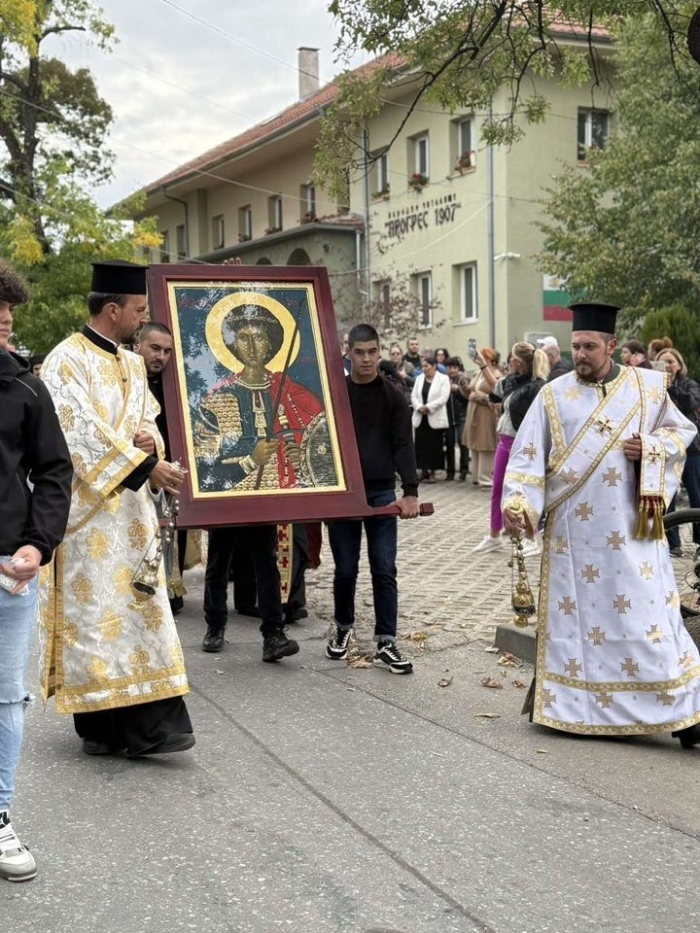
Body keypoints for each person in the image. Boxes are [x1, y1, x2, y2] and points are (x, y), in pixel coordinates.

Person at [503, 302, 700, 748]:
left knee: (648, 619)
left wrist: (650, 448)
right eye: (576, 347)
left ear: (611, 346)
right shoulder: (553, 396)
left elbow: (681, 433)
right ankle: (572, 708)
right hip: (574, 538)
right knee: (582, 625)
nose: (582, 355)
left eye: (590, 346)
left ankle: (683, 711)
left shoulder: (648, 388)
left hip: (634, 533)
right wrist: (519, 504)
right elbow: (528, 460)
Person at [40, 260, 195, 758]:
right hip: (89, 520)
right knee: (96, 621)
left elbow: (148, 421)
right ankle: (103, 728)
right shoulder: (65, 361)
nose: (142, 318)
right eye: (138, 310)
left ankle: (152, 726)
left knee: (142, 615)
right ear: (113, 310)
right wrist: (144, 466)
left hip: (133, 516)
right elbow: (76, 433)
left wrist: (155, 445)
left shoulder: (132, 363)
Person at [0, 264, 72, 883]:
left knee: (5, 700)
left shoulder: (26, 389)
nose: (4, 328)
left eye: (7, 319)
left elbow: (54, 471)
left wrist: (38, 545)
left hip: (7, 572)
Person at [325, 323, 419, 674]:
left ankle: (386, 641)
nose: (366, 359)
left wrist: (409, 492)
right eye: (359, 352)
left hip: (381, 492)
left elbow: (403, 445)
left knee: (384, 567)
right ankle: (343, 627)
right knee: (346, 569)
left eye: (372, 352)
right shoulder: (335, 394)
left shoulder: (393, 396)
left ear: (379, 352)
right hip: (343, 494)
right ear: (348, 353)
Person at [194, 304, 326, 491]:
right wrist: (250, 461)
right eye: (243, 338)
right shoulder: (217, 403)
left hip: (292, 505)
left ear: (270, 342)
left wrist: (305, 457)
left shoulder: (294, 395)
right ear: (234, 344)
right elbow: (203, 476)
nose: (252, 347)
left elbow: (328, 455)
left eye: (258, 337)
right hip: (238, 509)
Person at [473, 342, 548, 554]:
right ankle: (495, 535)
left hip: (524, 444)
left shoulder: (538, 387)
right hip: (504, 440)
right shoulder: (510, 381)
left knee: (524, 489)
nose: (509, 361)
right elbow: (494, 388)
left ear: (518, 361)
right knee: (498, 488)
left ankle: (531, 538)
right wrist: (481, 366)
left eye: (512, 359)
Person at [134, 322, 187, 614]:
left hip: (166, 468)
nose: (161, 356)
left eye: (167, 351)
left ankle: (169, 590)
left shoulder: (172, 385)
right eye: (155, 348)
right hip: (134, 469)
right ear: (137, 345)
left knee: (166, 530)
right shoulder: (124, 379)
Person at [202, 523, 299, 662]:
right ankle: (215, 626)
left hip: (259, 506)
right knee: (218, 562)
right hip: (222, 506)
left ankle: (273, 633)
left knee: (267, 565)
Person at [657, 348, 700, 558]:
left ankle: (699, 542)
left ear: (679, 364)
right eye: (662, 362)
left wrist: (673, 387)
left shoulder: (688, 384)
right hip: (665, 449)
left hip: (690, 449)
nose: (667, 366)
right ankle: (673, 543)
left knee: (696, 495)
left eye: (671, 362)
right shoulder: (653, 387)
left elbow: (691, 404)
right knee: (669, 497)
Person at [460, 347, 499, 487]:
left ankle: (486, 478)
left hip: (486, 415)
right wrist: (463, 385)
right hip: (473, 413)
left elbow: (496, 395)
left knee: (485, 445)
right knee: (475, 445)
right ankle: (476, 476)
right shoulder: (478, 373)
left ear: (490, 359)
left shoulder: (496, 374)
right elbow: (469, 393)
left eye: (483, 357)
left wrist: (479, 397)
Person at [411, 355, 450, 483]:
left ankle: (433, 472)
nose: (424, 368)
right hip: (421, 417)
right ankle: (423, 471)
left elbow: (443, 398)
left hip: (434, 416)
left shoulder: (443, 379)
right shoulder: (419, 379)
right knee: (421, 445)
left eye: (426, 366)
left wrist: (428, 407)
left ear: (434, 366)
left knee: (434, 446)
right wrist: (419, 407)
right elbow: (414, 396)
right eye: (422, 366)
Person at [445, 356, 469, 480]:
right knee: (449, 443)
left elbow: (468, 396)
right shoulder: (443, 380)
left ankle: (464, 470)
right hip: (447, 417)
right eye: (450, 368)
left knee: (462, 441)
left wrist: (457, 390)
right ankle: (450, 471)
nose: (452, 370)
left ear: (458, 369)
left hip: (462, 416)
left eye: (454, 368)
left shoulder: (463, 380)